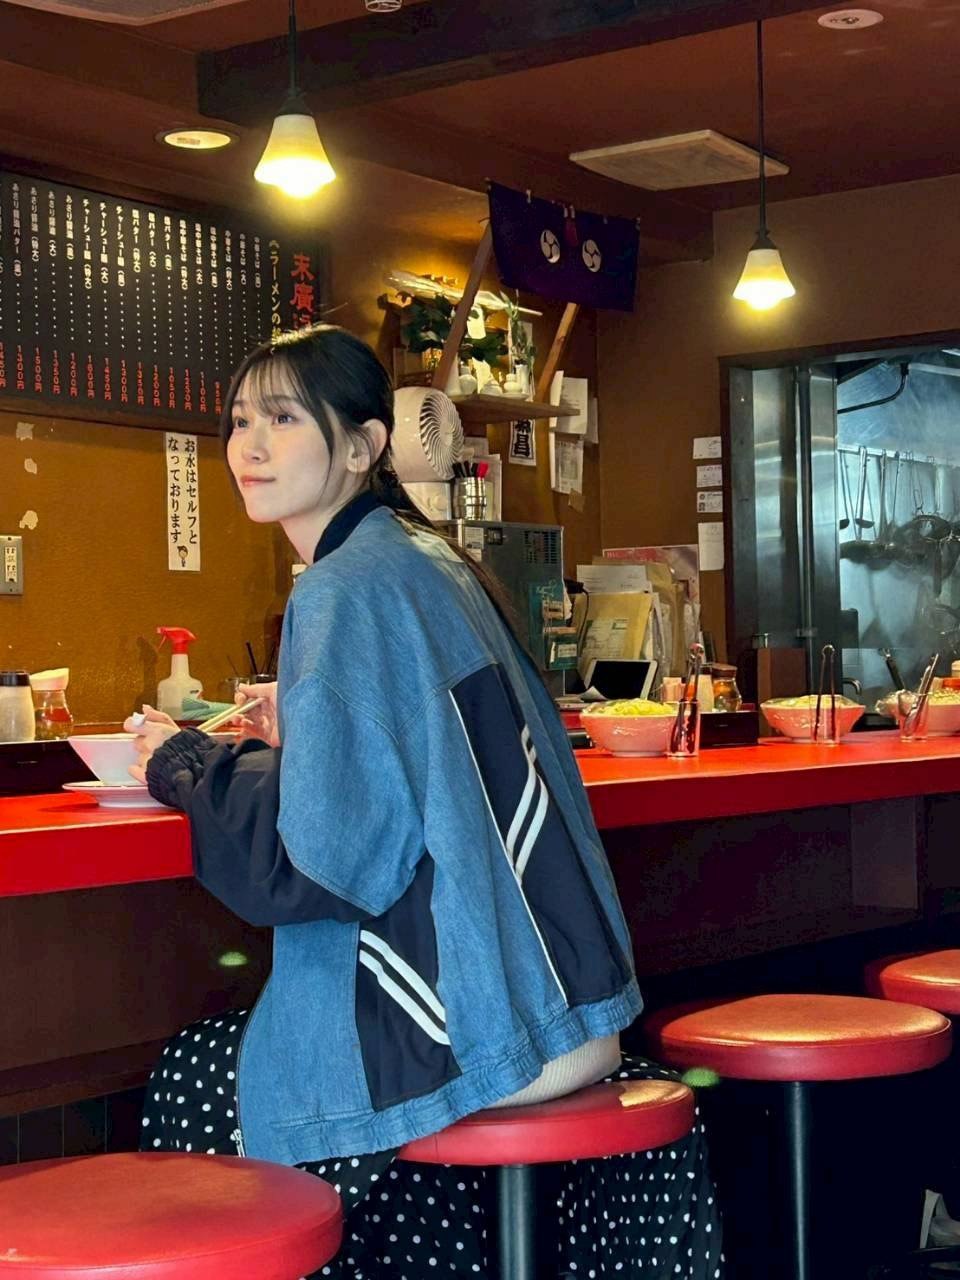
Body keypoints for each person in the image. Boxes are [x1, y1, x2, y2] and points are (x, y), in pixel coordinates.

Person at [127, 324, 723, 1279]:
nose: (250, 446)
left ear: (361, 445)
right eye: (240, 421)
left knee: (196, 1077)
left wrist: (188, 766)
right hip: (572, 1001)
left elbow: (325, 863)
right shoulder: (422, 557)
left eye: (283, 419)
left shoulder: (341, 588)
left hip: (491, 1023)